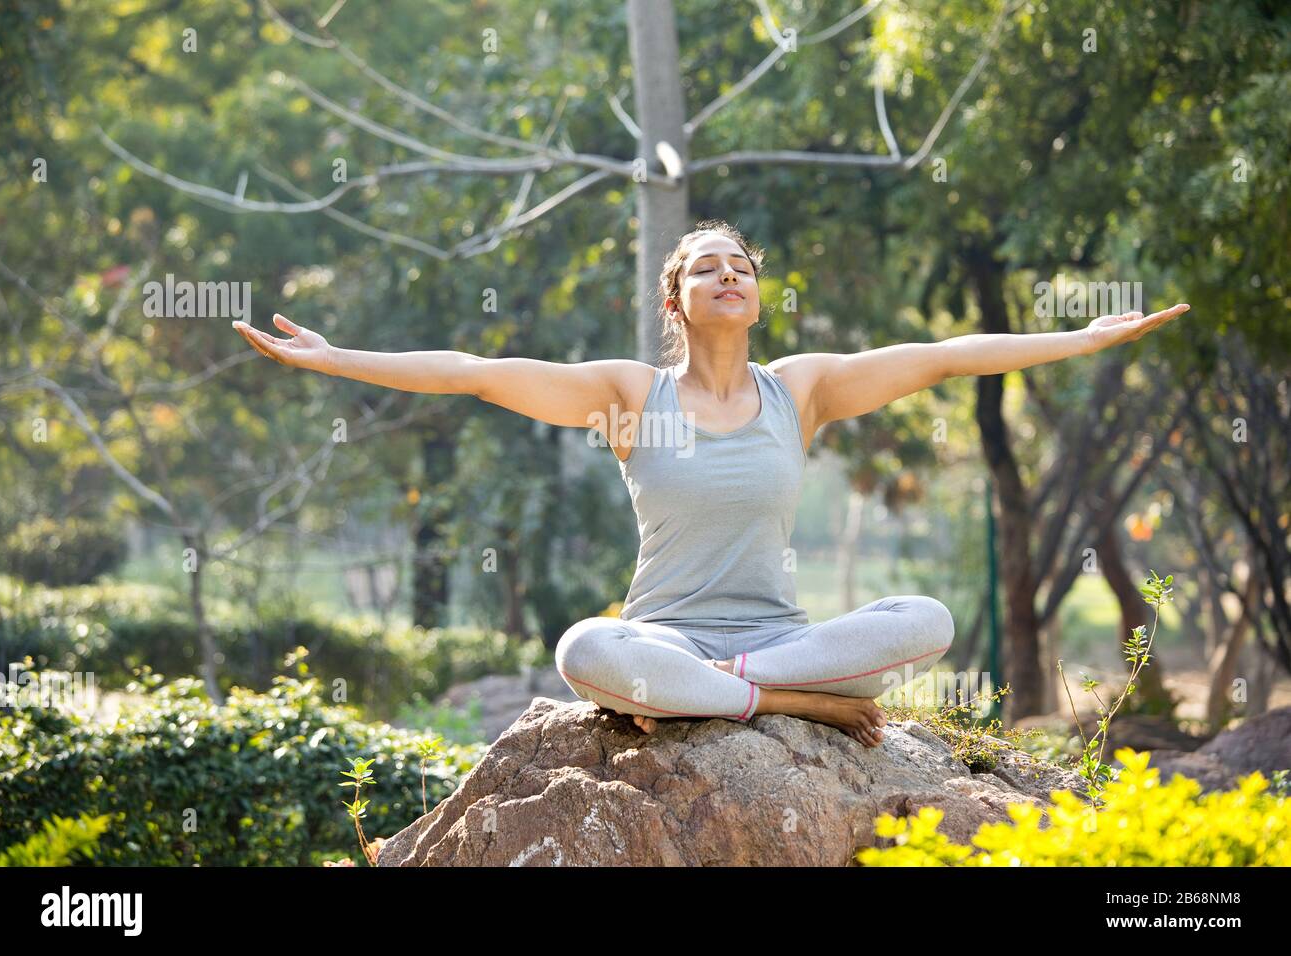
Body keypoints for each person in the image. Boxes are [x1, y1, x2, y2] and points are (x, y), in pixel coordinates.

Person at [233, 220, 1189, 747]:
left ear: (757, 292)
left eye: (742, 266)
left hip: (783, 642)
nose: (729, 275)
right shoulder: (627, 395)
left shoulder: (801, 389)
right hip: (665, 638)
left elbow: (943, 357)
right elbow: (475, 371)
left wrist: (1080, 338)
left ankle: (738, 690)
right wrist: (335, 361)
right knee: (583, 648)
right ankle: (779, 705)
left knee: (928, 621)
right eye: (706, 267)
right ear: (675, 298)